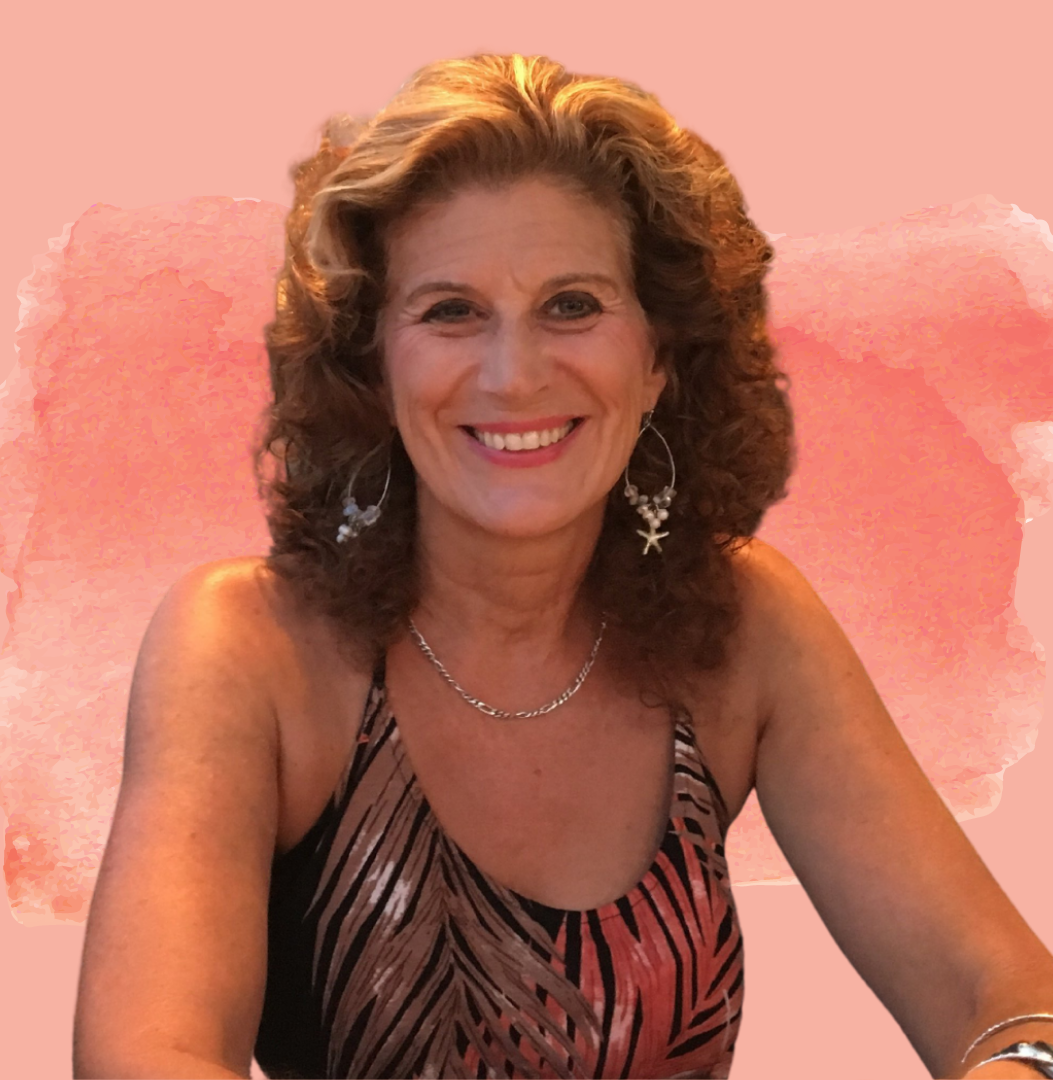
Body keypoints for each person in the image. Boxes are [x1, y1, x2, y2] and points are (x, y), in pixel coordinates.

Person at [72, 53, 1053, 1080]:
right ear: (372, 365)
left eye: (573, 305)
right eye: (451, 311)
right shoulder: (244, 645)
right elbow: (143, 1061)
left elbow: (1013, 1007)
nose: (516, 375)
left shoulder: (747, 624)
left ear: (660, 356)